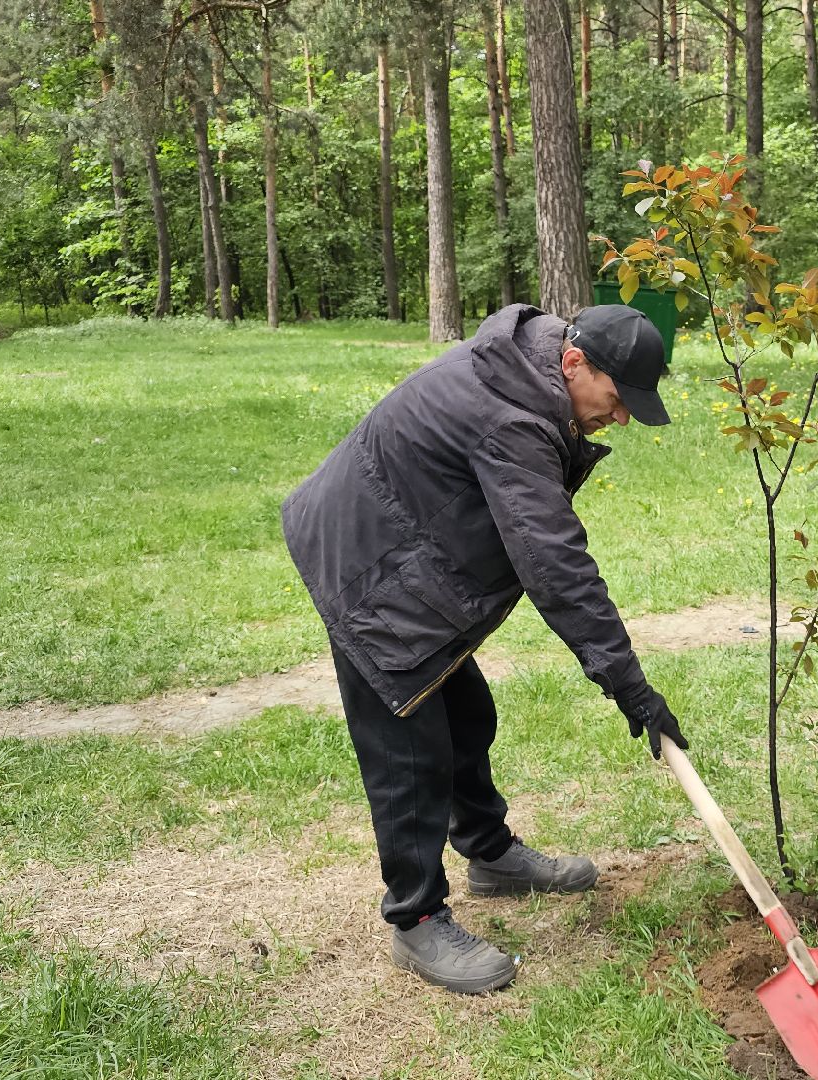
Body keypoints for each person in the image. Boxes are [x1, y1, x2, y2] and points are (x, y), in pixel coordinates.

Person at [280, 303, 689, 994]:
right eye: (617, 401)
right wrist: (629, 684)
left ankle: (490, 855)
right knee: (410, 751)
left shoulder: (529, 378)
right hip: (367, 564)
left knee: (467, 720)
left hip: (409, 546)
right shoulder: (514, 416)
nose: (619, 420)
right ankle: (416, 921)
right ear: (574, 363)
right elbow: (554, 563)